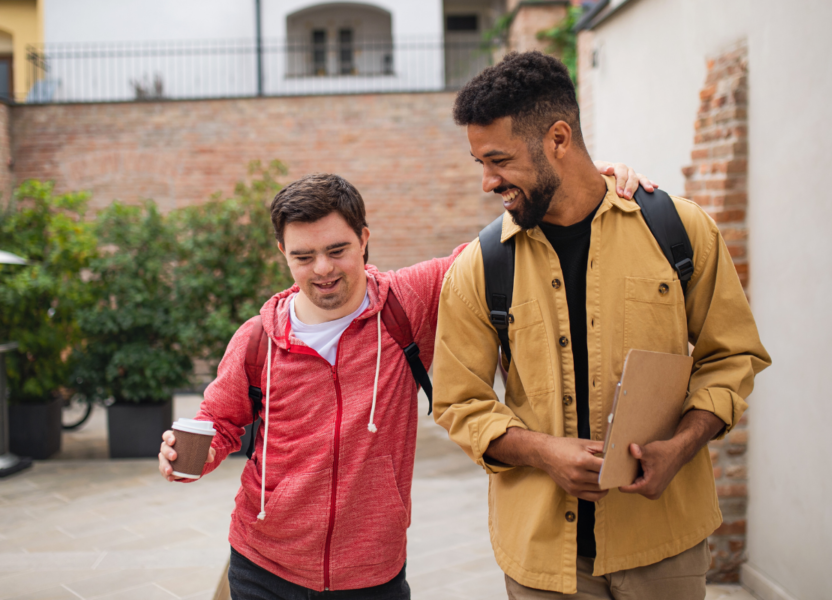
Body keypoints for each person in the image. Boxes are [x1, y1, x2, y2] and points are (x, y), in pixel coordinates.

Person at [158, 166, 653, 598]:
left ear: (365, 238)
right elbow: (219, 422)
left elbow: (496, 245)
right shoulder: (258, 338)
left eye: (337, 250)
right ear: (282, 252)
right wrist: (186, 457)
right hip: (262, 564)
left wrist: (584, 183)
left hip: (372, 572)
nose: (323, 270)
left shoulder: (406, 303)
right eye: (303, 257)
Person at [432, 51, 772, 599]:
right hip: (543, 558)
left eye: (499, 160)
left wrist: (681, 446)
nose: (488, 182)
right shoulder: (480, 266)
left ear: (558, 139)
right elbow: (458, 402)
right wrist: (544, 452)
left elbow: (732, 358)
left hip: (664, 543)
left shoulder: (679, 230)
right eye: (481, 165)